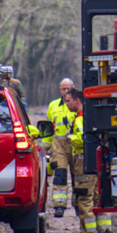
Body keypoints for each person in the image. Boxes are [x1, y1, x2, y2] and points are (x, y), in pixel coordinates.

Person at [64, 88, 98, 233]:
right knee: (96, 197)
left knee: (84, 197)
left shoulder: (80, 119)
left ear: (77, 101)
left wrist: (70, 138)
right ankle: (103, 230)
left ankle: (88, 232)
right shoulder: (89, 117)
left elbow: (83, 138)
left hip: (82, 162)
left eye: (68, 101)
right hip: (93, 161)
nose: (66, 104)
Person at [47, 78, 74, 218]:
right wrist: (46, 147)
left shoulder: (77, 104)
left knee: (78, 177)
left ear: (73, 88)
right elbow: (48, 128)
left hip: (75, 145)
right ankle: (59, 206)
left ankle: (78, 204)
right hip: (59, 146)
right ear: (60, 89)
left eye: (68, 88)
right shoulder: (53, 106)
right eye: (63, 89)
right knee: (60, 175)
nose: (65, 91)